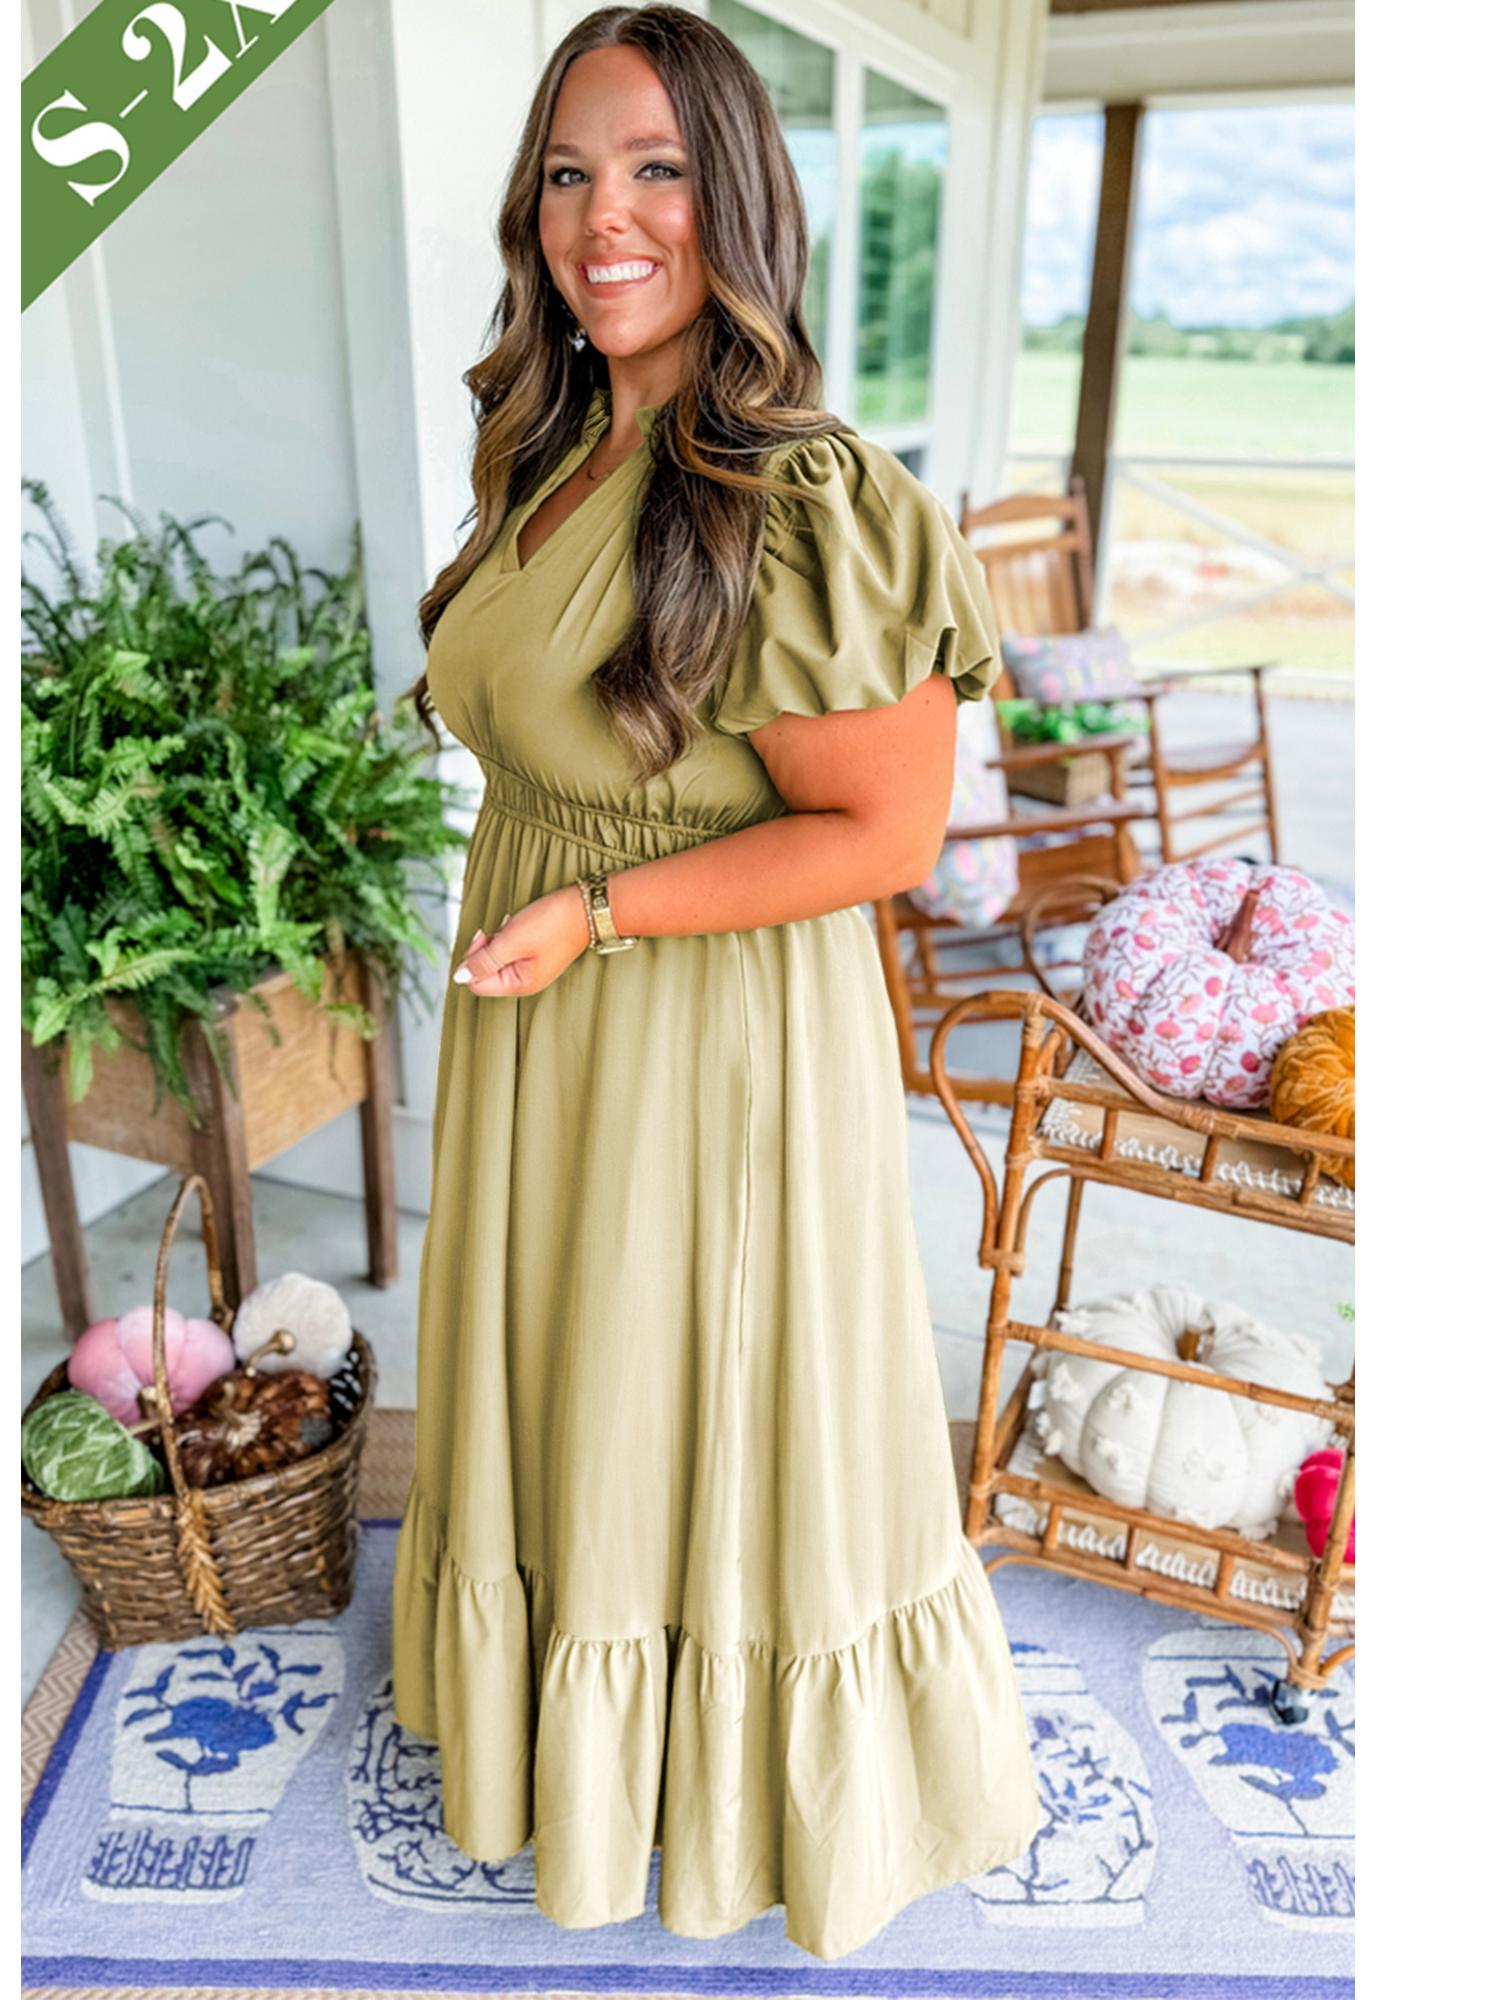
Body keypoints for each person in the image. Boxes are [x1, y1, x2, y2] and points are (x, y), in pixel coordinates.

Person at [390, 3, 1043, 1961]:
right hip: (550, 1010)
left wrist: (595, 915)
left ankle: (728, 1794)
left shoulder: (810, 496)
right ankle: (567, 1738)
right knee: (574, 1386)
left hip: (703, 1031)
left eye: (657, 169)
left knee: (704, 1396)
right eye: (569, 173)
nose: (605, 217)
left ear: (736, 199)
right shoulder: (552, 441)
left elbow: (883, 835)